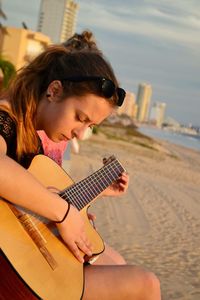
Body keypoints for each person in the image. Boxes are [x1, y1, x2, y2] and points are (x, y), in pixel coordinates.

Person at [0, 46, 161, 299]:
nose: (80, 133)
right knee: (146, 284)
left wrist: (93, 195)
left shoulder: (31, 136)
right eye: (79, 117)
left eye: (90, 126)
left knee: (117, 262)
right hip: (9, 271)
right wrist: (64, 214)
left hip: (22, 253)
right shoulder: (5, 118)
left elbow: (26, 202)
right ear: (54, 91)